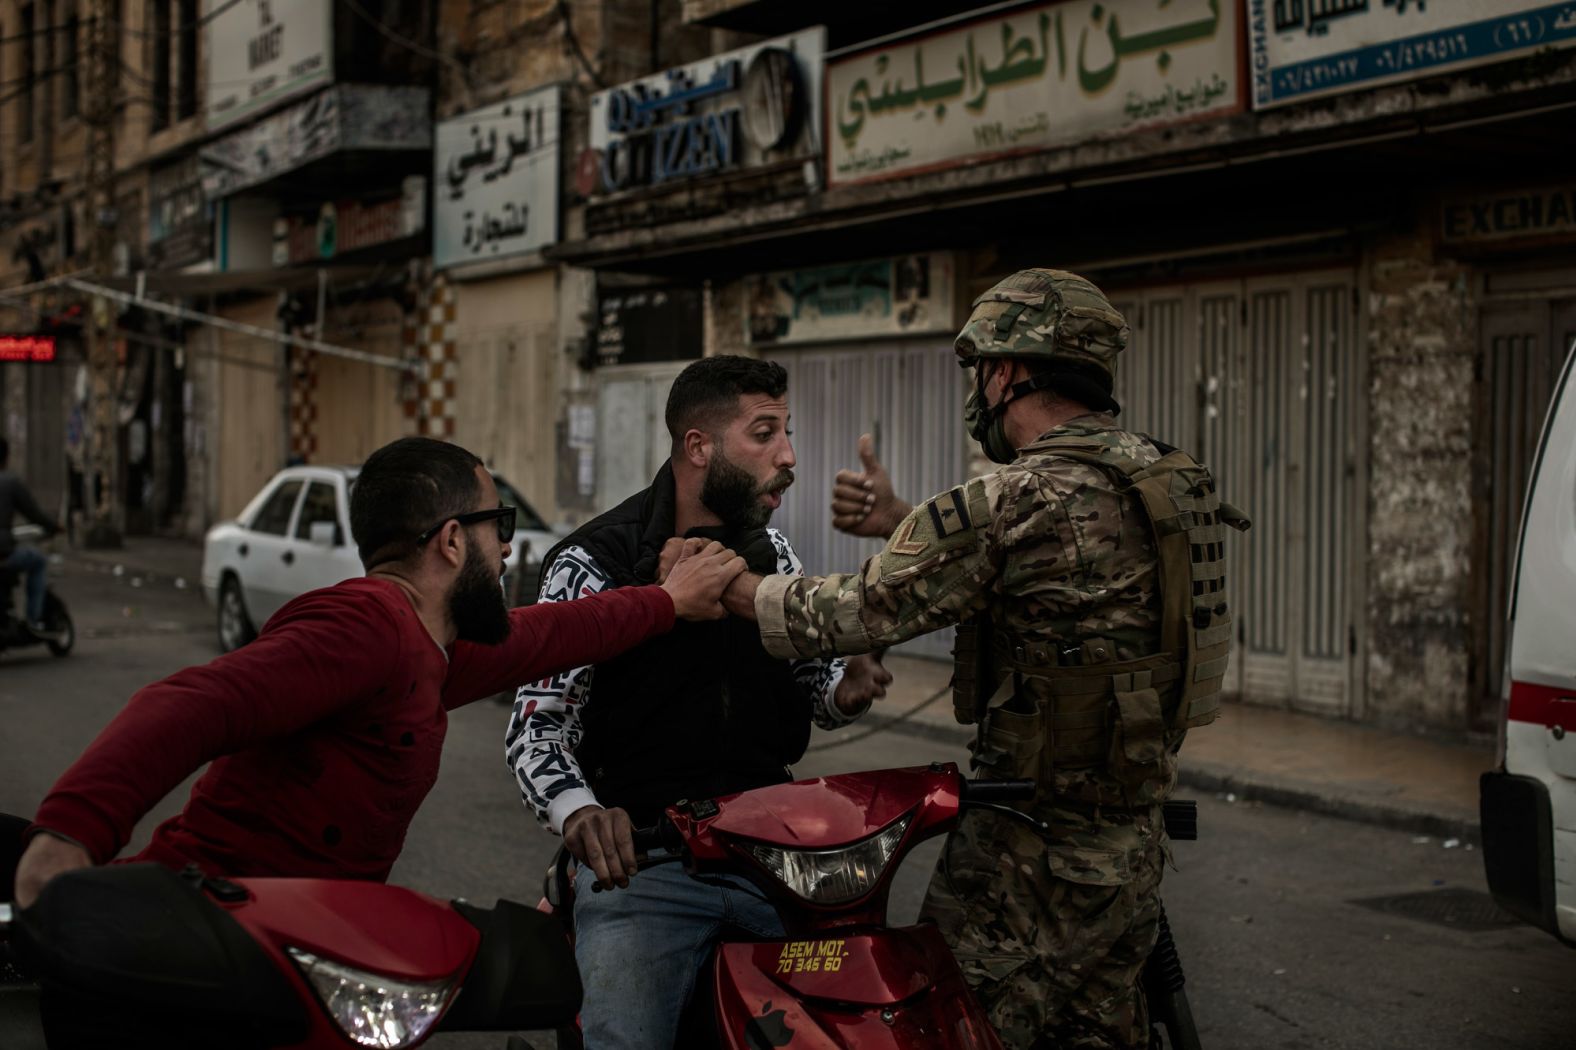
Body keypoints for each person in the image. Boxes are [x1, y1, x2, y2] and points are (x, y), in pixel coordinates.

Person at [724, 270, 1248, 1050]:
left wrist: (727, 584)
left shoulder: (1016, 498)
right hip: (1132, 842)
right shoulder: (1169, 478)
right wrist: (904, 520)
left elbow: (855, 610)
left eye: (980, 372)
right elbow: (1063, 582)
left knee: (952, 1027)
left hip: (1031, 856)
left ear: (1004, 372)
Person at [11, 436, 746, 908]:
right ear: (454, 541)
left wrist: (664, 602)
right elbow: (192, 702)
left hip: (307, 940)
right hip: (205, 931)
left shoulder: (431, 644)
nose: (512, 554)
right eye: (504, 530)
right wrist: (67, 838)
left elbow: (553, 633)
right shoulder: (364, 626)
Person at [505, 355, 892, 1049]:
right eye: (765, 433)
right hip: (645, 872)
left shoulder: (774, 555)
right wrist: (581, 812)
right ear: (698, 446)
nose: (789, 455)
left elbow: (818, 692)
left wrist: (850, 687)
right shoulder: (593, 562)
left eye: (788, 431)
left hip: (775, 863)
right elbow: (539, 730)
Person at [0, 436, 65, 636]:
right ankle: (33, 619)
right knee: (38, 561)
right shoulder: (10, 482)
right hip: (3, 553)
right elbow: (34, 513)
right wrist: (55, 527)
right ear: (6, 457)